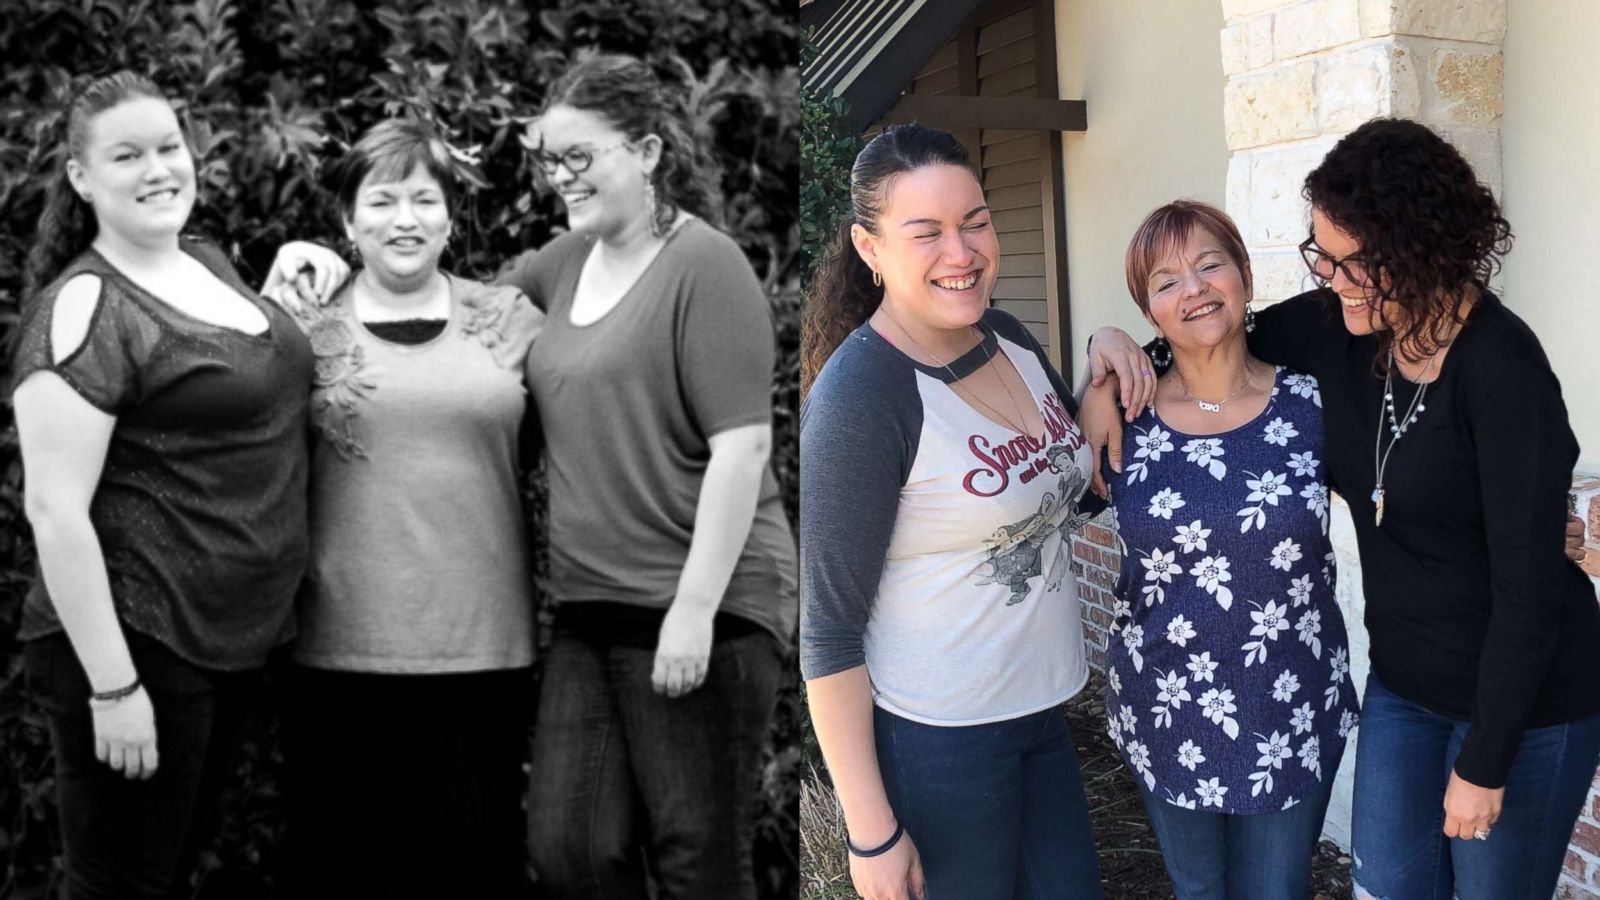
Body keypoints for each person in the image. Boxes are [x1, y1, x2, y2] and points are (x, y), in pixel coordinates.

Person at [1082, 118, 1600, 900]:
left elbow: (1529, 592)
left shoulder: (1504, 371)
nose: (1330, 278)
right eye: (1320, 254)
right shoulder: (1342, 331)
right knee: (1387, 886)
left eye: (1353, 262)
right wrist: (1109, 359)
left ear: (1424, 250)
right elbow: (1212, 334)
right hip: (1406, 690)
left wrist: (1484, 763)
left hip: (1524, 704)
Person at [799, 123, 1148, 900]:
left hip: (1041, 712)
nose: (962, 252)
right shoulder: (864, 397)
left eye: (975, 220)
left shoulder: (1007, 337)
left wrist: (1107, 352)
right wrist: (871, 832)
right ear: (869, 248)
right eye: (926, 232)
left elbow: (1063, 499)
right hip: (939, 743)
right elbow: (826, 634)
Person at [496, 53, 796, 900]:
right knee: (572, 850)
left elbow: (742, 450)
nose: (561, 177)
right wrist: (325, 259)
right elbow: (452, 309)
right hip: (591, 610)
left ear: (650, 152)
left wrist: (693, 613)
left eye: (580, 156)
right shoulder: (559, 265)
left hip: (707, 604)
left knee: (696, 860)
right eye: (551, 160)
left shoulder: (707, 266)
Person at [10, 71, 313, 898]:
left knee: (166, 874)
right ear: (80, 177)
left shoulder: (209, 264)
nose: (157, 169)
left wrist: (295, 273)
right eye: (126, 155)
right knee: (121, 886)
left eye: (169, 147)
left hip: (229, 638)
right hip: (140, 643)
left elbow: (246, 371)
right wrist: (114, 685)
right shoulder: (84, 308)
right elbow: (54, 510)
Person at [269, 119, 542, 899]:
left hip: (484, 652)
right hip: (334, 654)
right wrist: (272, 281)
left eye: (426, 199)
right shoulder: (302, 327)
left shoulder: (510, 319)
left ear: (453, 216)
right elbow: (233, 410)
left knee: (471, 868)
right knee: (347, 870)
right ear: (347, 222)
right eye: (382, 201)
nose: (405, 219)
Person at [1103, 200, 1356, 899]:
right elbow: (1042, 493)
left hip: (1291, 704)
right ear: (1148, 311)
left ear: (1244, 274)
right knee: (1199, 893)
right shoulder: (1123, 418)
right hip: (1166, 703)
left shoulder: (1312, 403)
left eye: (1210, 263)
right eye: (1165, 280)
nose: (1194, 288)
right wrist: (1100, 353)